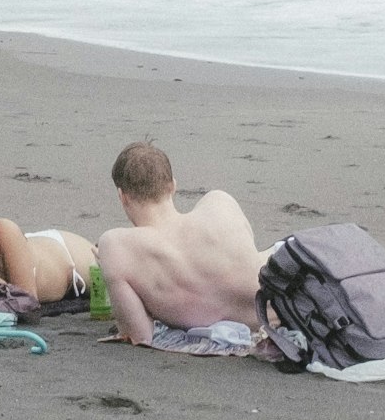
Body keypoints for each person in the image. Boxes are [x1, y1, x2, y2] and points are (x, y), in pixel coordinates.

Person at [93, 140, 274, 347]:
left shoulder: (115, 246)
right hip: (271, 313)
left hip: (221, 324)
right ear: (173, 186)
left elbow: (140, 335)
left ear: (122, 197)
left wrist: (110, 270)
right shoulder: (221, 203)